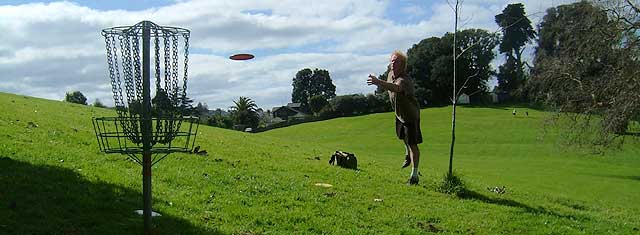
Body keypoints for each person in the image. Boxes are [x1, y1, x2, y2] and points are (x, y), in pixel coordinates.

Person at [367, 50, 423, 185]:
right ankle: (407, 154)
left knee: (412, 144)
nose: (392, 64)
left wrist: (377, 82)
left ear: (402, 65)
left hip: (410, 116)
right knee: (402, 137)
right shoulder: (390, 74)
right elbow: (390, 85)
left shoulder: (404, 80)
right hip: (399, 114)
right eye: (392, 61)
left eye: (396, 61)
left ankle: (414, 175)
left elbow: (396, 88)